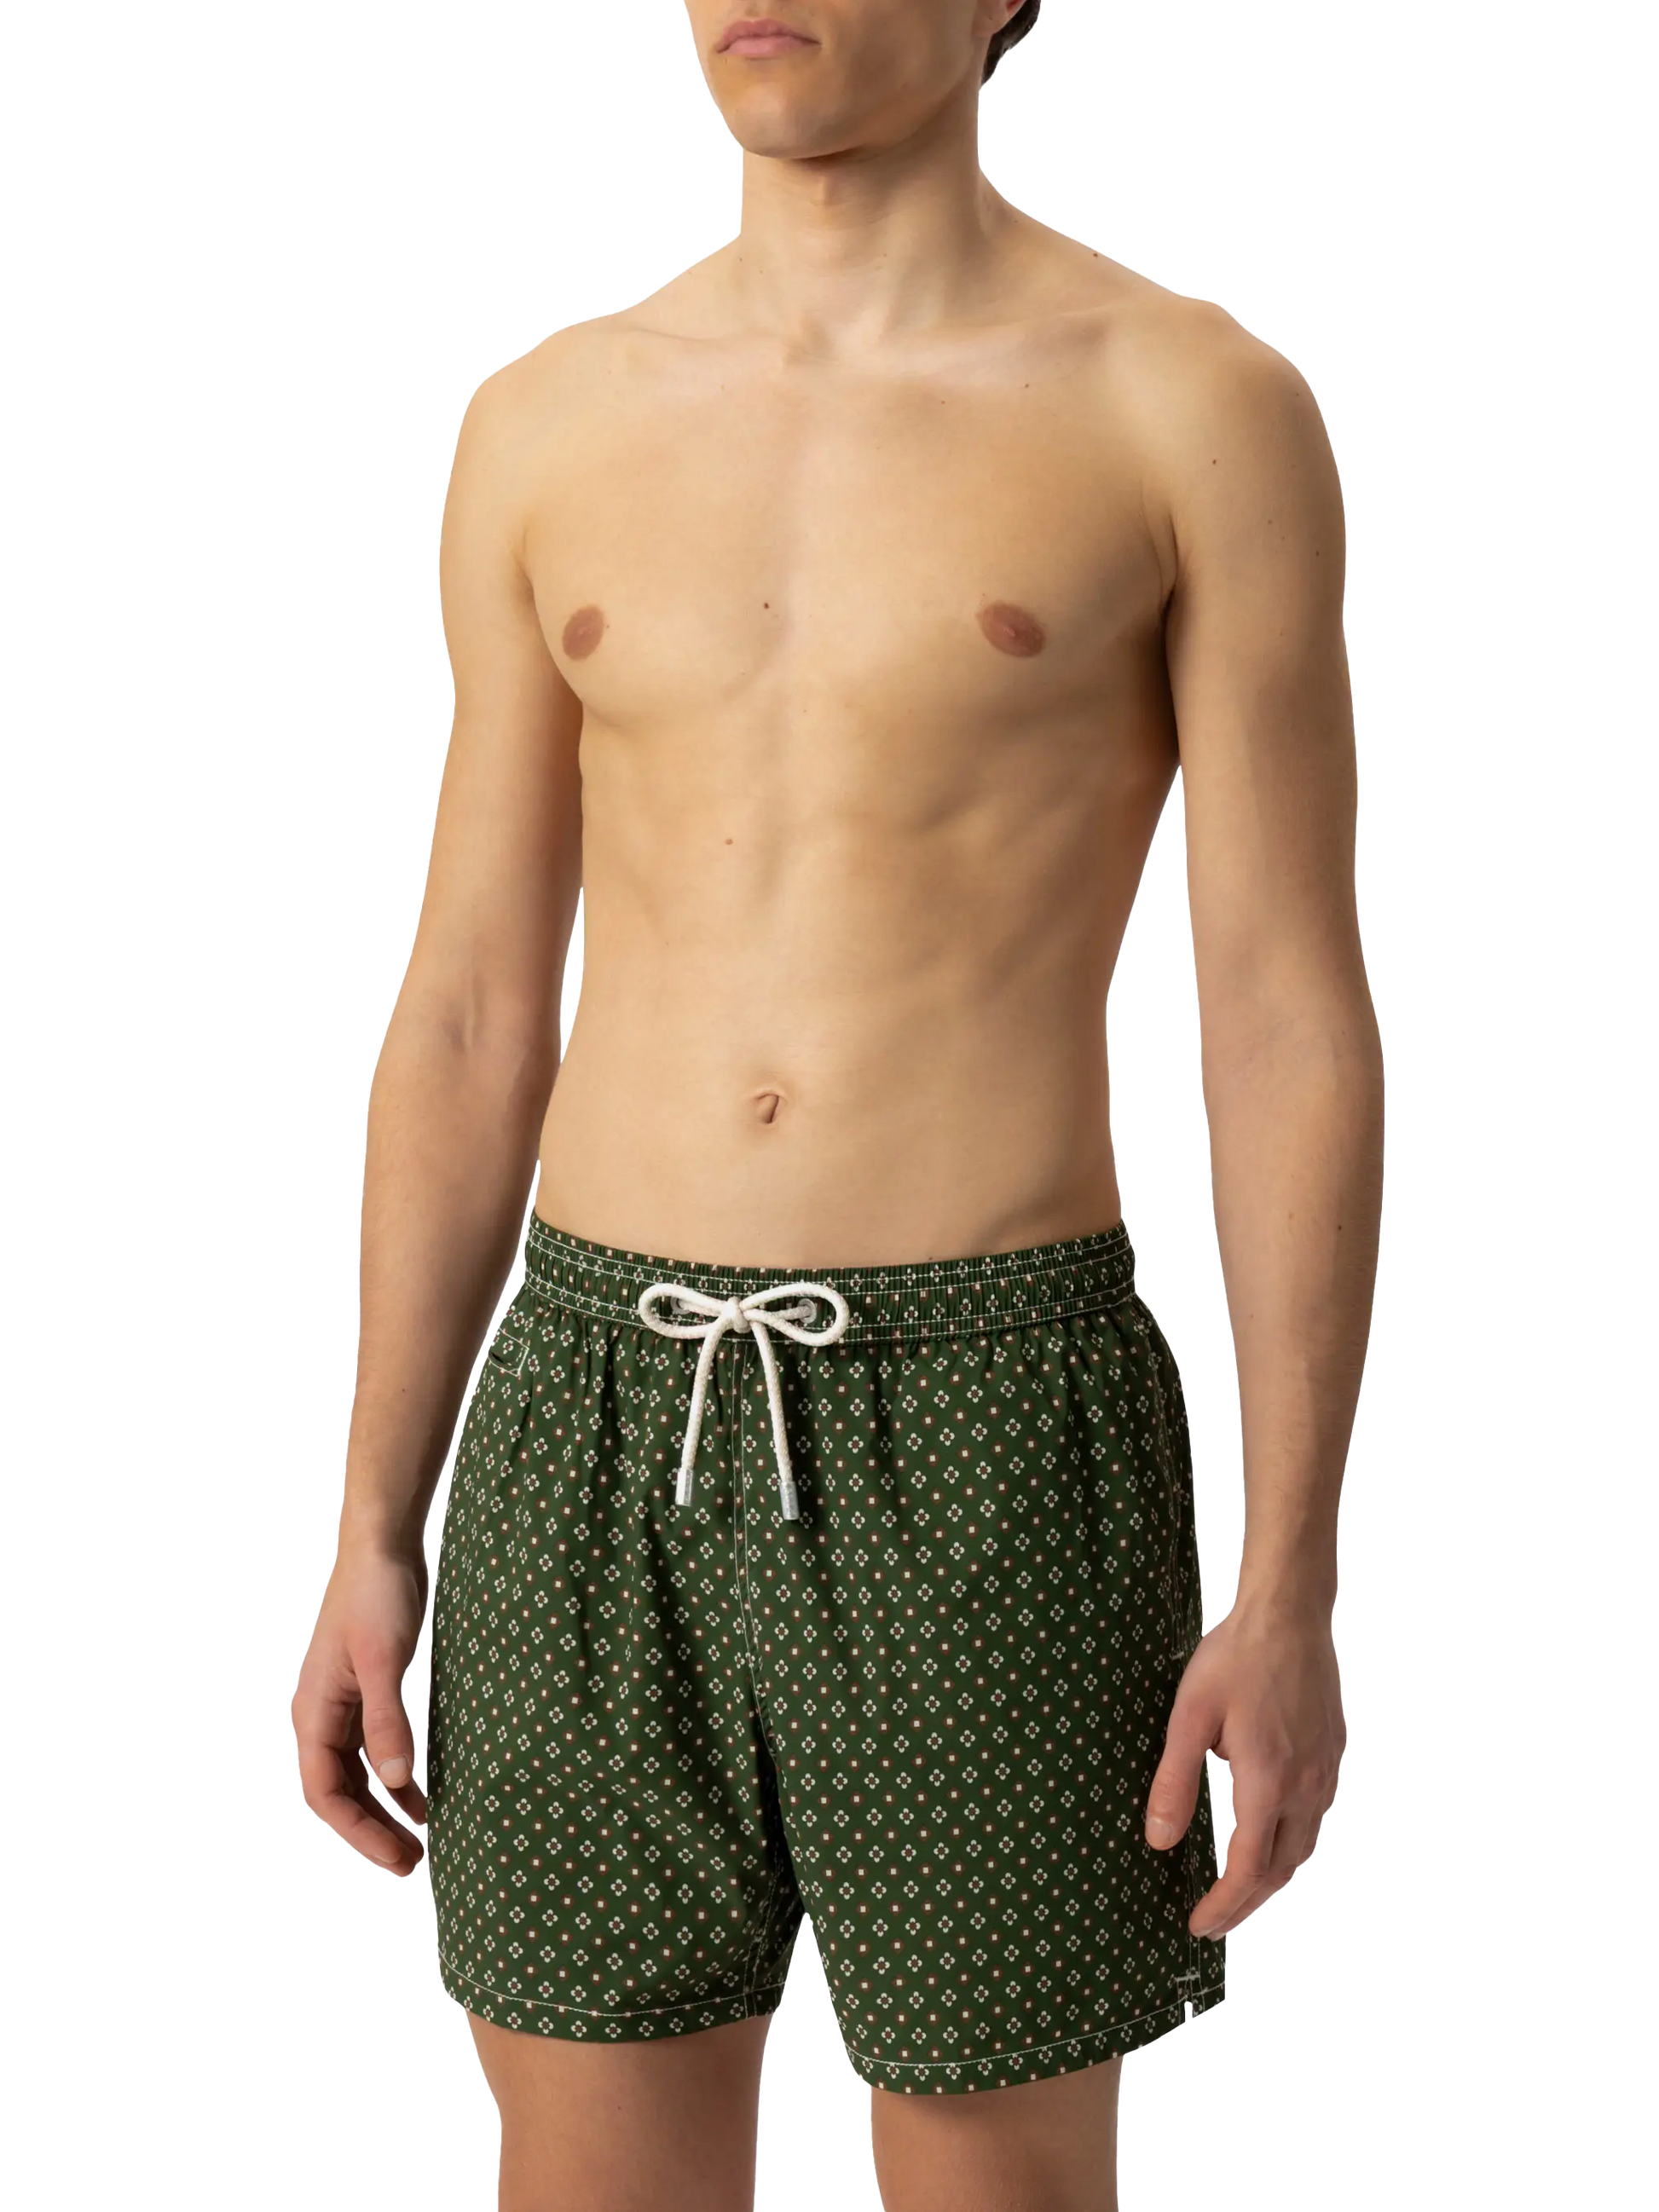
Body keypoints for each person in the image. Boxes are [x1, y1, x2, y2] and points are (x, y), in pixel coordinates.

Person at [288, 4, 1384, 2206]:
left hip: (987, 1416)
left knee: (998, 2182)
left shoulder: (1185, 402)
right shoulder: (549, 414)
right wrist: (371, 1516)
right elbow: (475, 1008)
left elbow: (1280, 1008)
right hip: (591, 1406)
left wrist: (1289, 1580)